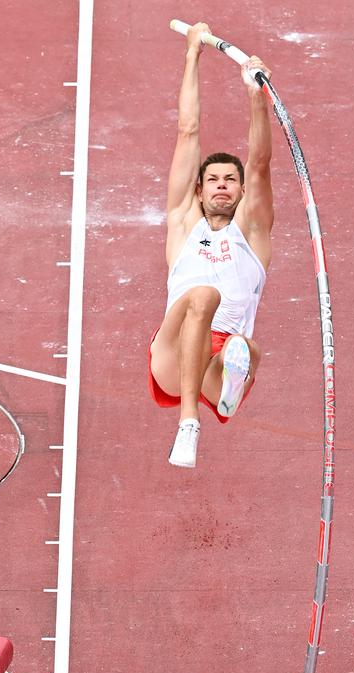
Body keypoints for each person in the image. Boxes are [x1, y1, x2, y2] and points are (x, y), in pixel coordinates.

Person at [148, 22, 274, 468]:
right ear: (199, 190)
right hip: (174, 350)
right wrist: (192, 55)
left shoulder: (252, 233)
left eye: (230, 181)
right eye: (213, 180)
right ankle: (188, 426)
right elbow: (188, 131)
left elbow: (259, 164)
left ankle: (230, 384)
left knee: (250, 348)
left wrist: (255, 96)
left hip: (221, 359)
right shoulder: (184, 223)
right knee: (203, 295)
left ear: (240, 193)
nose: (222, 186)